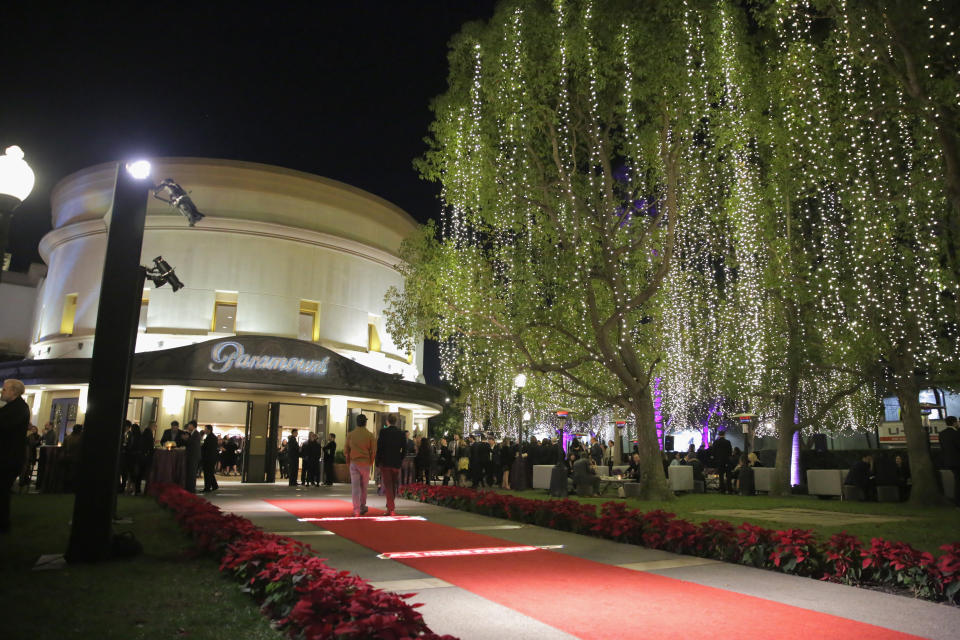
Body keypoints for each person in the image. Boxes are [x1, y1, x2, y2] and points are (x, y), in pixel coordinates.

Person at [0, 379, 30, 533]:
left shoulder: (19, 409)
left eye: (4, 389)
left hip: (8, 459)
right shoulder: (11, 408)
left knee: (2, 491)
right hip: (6, 457)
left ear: (14, 391)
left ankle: (3, 524)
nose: (2, 392)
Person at [345, 413, 376, 516]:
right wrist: (370, 462)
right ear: (366, 423)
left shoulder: (350, 434)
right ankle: (363, 505)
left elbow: (346, 450)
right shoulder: (370, 435)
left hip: (354, 463)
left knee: (355, 488)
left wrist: (348, 462)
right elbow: (373, 451)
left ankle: (356, 510)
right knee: (364, 487)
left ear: (356, 423)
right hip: (365, 463)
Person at [376, 413, 406, 515]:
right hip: (396, 463)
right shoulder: (401, 433)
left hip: (386, 462)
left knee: (388, 485)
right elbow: (405, 449)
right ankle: (390, 506)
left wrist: (377, 461)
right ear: (396, 421)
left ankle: (391, 508)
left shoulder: (383, 432)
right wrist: (400, 458)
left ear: (387, 421)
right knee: (393, 485)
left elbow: (379, 448)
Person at [939, 416, 960, 506]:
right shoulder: (956, 433)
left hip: (949, 461)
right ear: (954, 423)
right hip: (958, 461)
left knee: (957, 479)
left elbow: (943, 448)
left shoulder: (942, 434)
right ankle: (958, 501)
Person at [135, 421, 156, 495]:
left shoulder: (145, 432)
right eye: (155, 426)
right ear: (152, 426)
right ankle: (139, 490)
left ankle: (138, 490)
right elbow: (149, 445)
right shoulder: (148, 432)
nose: (155, 428)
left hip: (142, 455)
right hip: (144, 456)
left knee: (140, 473)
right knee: (142, 473)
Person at [21, 424, 41, 488]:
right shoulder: (30, 435)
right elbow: (33, 443)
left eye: (34, 429)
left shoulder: (29, 434)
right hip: (28, 453)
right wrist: (39, 440)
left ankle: (25, 479)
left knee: (27, 467)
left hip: (29, 452)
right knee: (25, 467)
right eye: (32, 428)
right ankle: (23, 480)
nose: (32, 429)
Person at [184, 420, 202, 493]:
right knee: (190, 472)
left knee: (192, 473)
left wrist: (186, 439)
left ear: (192, 426)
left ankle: (191, 489)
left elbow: (192, 444)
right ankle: (189, 488)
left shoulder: (196, 434)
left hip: (193, 456)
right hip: (192, 456)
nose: (188, 427)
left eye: (189, 425)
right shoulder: (193, 433)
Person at [201, 424, 220, 492]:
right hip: (211, 458)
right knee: (210, 473)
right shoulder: (211, 437)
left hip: (209, 458)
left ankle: (207, 488)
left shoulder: (211, 437)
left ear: (209, 430)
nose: (204, 430)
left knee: (207, 473)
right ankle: (214, 486)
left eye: (205, 429)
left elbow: (208, 448)